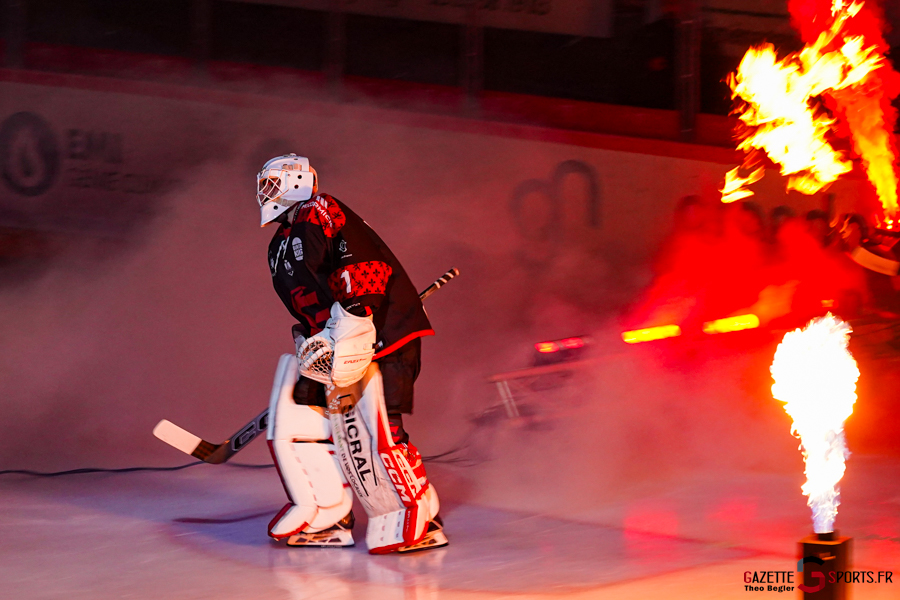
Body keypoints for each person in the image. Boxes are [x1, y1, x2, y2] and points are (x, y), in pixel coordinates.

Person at [257, 154, 447, 553]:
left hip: (381, 334)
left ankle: (417, 514)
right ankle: (325, 510)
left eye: (274, 183)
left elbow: (365, 266)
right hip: (330, 342)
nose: (266, 192)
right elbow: (307, 303)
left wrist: (355, 319)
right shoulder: (279, 243)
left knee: (377, 428)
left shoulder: (321, 210)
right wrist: (310, 339)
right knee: (299, 420)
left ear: (298, 181)